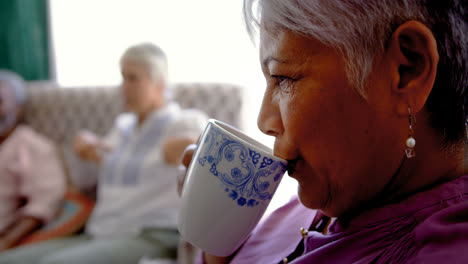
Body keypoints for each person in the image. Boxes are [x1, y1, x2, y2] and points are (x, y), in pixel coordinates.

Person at [178, 1, 468, 263]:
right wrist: (220, 237)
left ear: (407, 69)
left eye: (284, 78)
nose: (264, 120)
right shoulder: (340, 193)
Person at [0, 43, 208, 264]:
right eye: (123, 78)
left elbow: (204, 152)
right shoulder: (122, 127)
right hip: (101, 232)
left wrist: (187, 146)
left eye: (133, 78)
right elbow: (88, 180)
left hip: (151, 234)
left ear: (159, 84)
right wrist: (84, 152)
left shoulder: (182, 121)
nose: (123, 87)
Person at [0, 70, 66, 252]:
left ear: (19, 108)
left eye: (0, 101)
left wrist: (6, 242)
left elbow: (43, 203)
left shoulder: (32, 146)